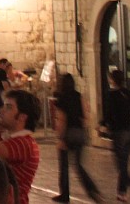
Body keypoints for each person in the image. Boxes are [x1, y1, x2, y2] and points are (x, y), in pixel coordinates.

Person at [52, 72, 102, 203]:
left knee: (64, 166)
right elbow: (86, 115)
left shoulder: (61, 99)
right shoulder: (79, 96)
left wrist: (61, 138)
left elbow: (62, 120)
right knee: (78, 165)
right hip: (79, 133)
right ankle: (92, 190)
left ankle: (64, 194)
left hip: (68, 134)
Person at [101, 69, 130, 202]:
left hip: (119, 132)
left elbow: (108, 113)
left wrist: (102, 124)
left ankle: (124, 188)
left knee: (120, 165)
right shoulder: (128, 93)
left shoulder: (111, 95)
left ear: (113, 80)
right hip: (129, 131)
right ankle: (121, 192)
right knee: (123, 163)